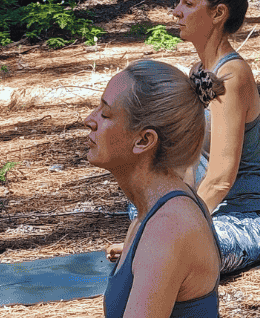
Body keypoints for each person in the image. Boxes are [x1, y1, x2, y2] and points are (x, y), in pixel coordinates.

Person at [109, 0, 260, 274]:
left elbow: (220, 179)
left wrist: (169, 227)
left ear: (218, 13)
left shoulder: (233, 76)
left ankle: (153, 247)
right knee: (140, 200)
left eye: (187, 3)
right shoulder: (199, 72)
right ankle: (154, 244)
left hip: (245, 220)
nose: (176, 12)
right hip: (205, 212)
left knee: (173, 247)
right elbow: (188, 163)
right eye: (179, 2)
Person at [85, 59, 226, 318]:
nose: (89, 120)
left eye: (105, 114)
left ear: (144, 140)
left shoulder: (168, 226)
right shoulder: (151, 210)